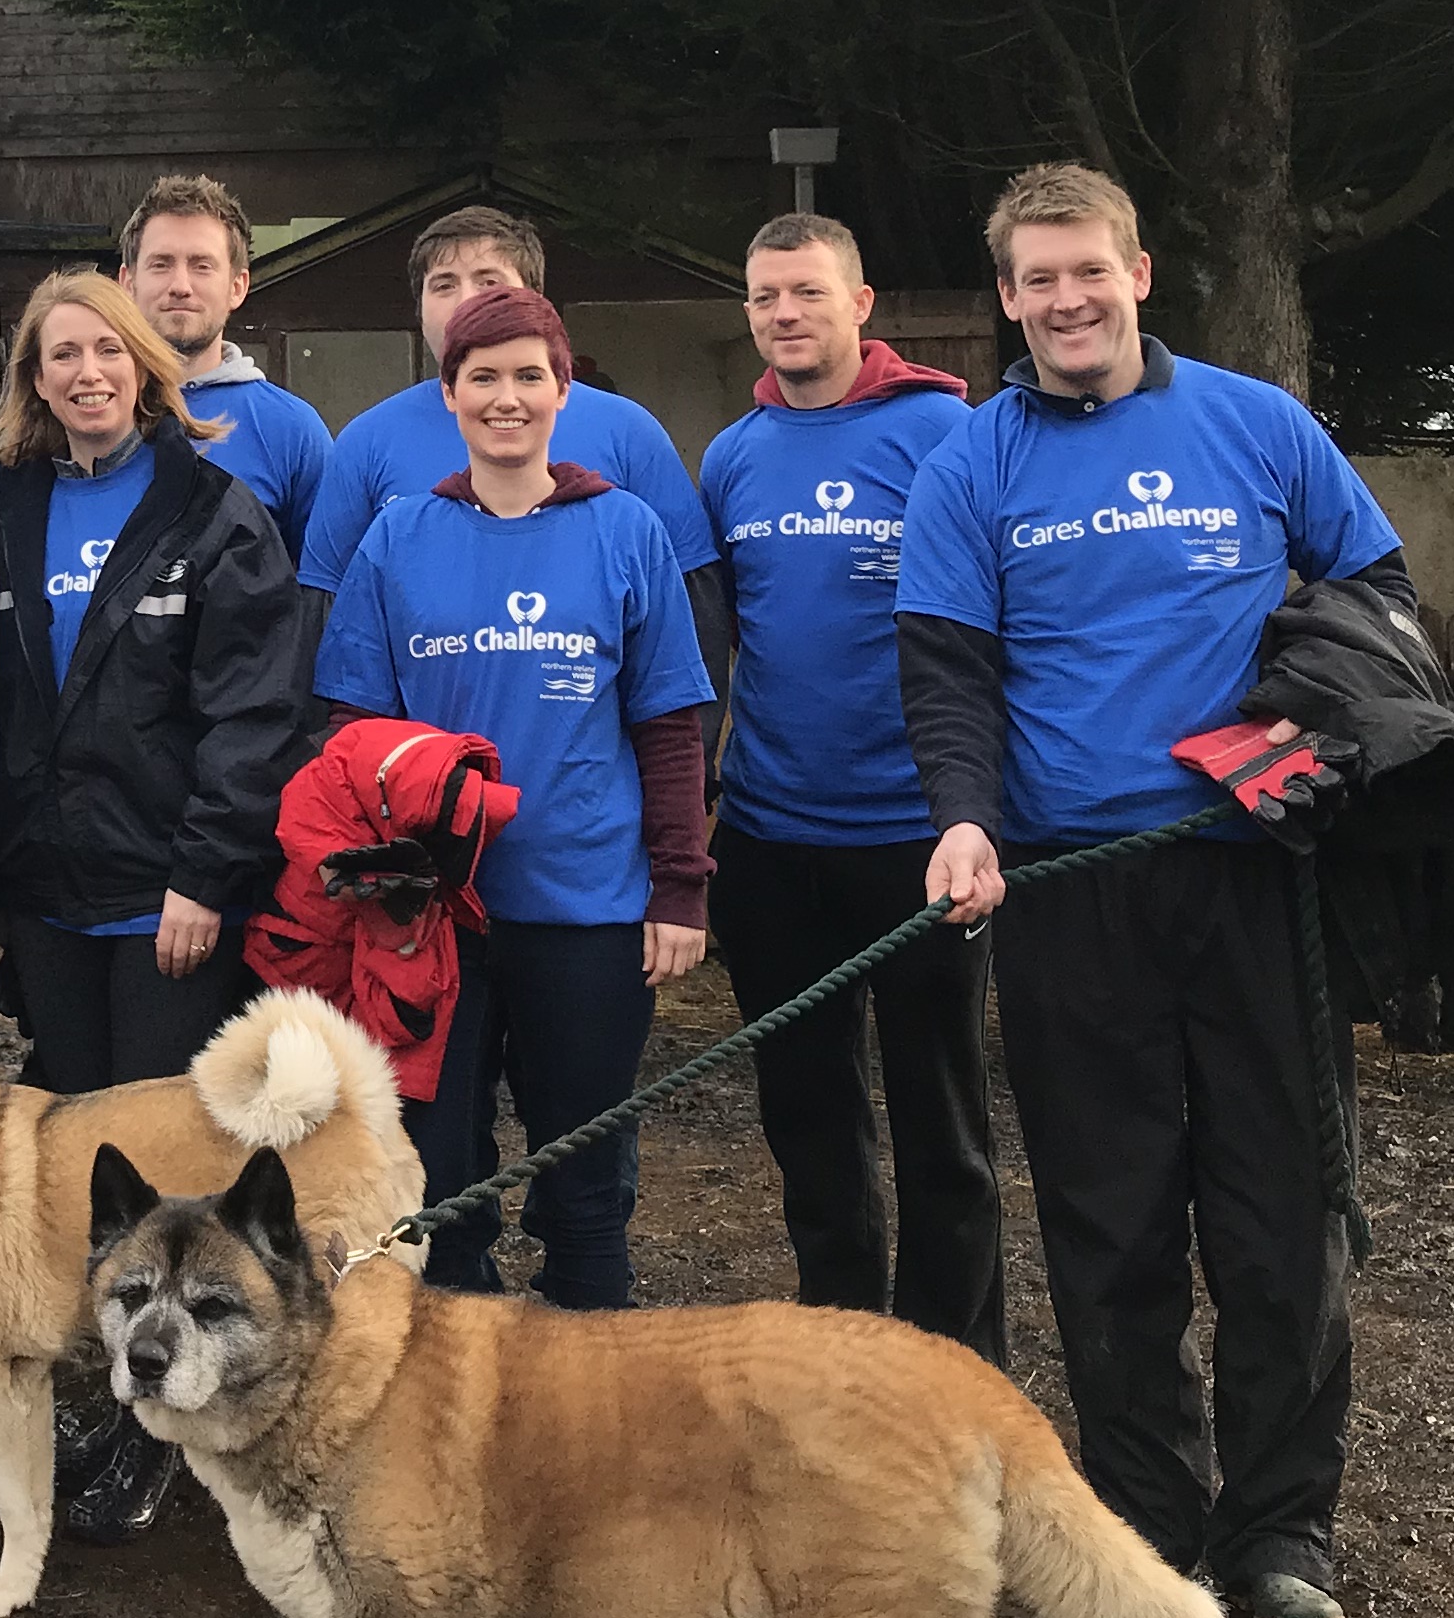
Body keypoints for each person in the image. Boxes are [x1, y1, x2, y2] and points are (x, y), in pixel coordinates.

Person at [897, 162, 1410, 1618]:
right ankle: (1147, 1532)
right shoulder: (971, 469)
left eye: (1089, 271)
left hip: (1261, 885)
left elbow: (1374, 593)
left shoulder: (1258, 424)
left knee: (1283, 1219)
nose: (1067, 300)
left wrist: (1304, 725)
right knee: (1108, 1227)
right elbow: (946, 671)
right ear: (1008, 299)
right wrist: (965, 822)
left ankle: (1283, 1535)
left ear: (1138, 273)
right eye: (1037, 280)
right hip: (1073, 896)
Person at [0, 269, 302, 1538]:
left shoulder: (215, 511)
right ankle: (118, 1384)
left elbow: (250, 713)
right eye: (60, 357)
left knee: (171, 1167)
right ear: (34, 379)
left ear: (146, 365)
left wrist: (205, 875)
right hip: (44, 887)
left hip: (166, 892)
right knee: (79, 1164)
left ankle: (157, 1434)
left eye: (107, 352)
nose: (86, 374)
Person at [315, 286, 714, 1309]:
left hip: (586, 903)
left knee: (584, 1168)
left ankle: (594, 1369)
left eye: (528, 375)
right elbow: (349, 737)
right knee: (437, 1168)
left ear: (563, 388)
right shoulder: (399, 537)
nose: (507, 397)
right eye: (482, 377)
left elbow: (667, 727)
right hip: (435, 915)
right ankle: (458, 1379)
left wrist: (680, 888)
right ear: (446, 394)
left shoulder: (624, 531)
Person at [694, 211, 1001, 1360]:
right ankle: (840, 1354)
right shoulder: (734, 456)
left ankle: (950, 1363)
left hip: (918, 838)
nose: (786, 314)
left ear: (860, 304)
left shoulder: (944, 431)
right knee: (810, 1121)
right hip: (773, 842)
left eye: (808, 293)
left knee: (942, 1124)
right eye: (766, 296)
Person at [293, 208, 723, 662]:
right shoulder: (366, 441)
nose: (465, 301)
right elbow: (328, 620)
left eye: (488, 282)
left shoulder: (628, 432)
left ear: (534, 299)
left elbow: (694, 610)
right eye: (443, 285)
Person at [116, 172, 334, 562]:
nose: (180, 285)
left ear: (238, 286)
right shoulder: (87, 416)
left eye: (202, 266)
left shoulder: (292, 431)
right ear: (127, 283)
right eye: (161, 264)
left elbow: (318, 594)